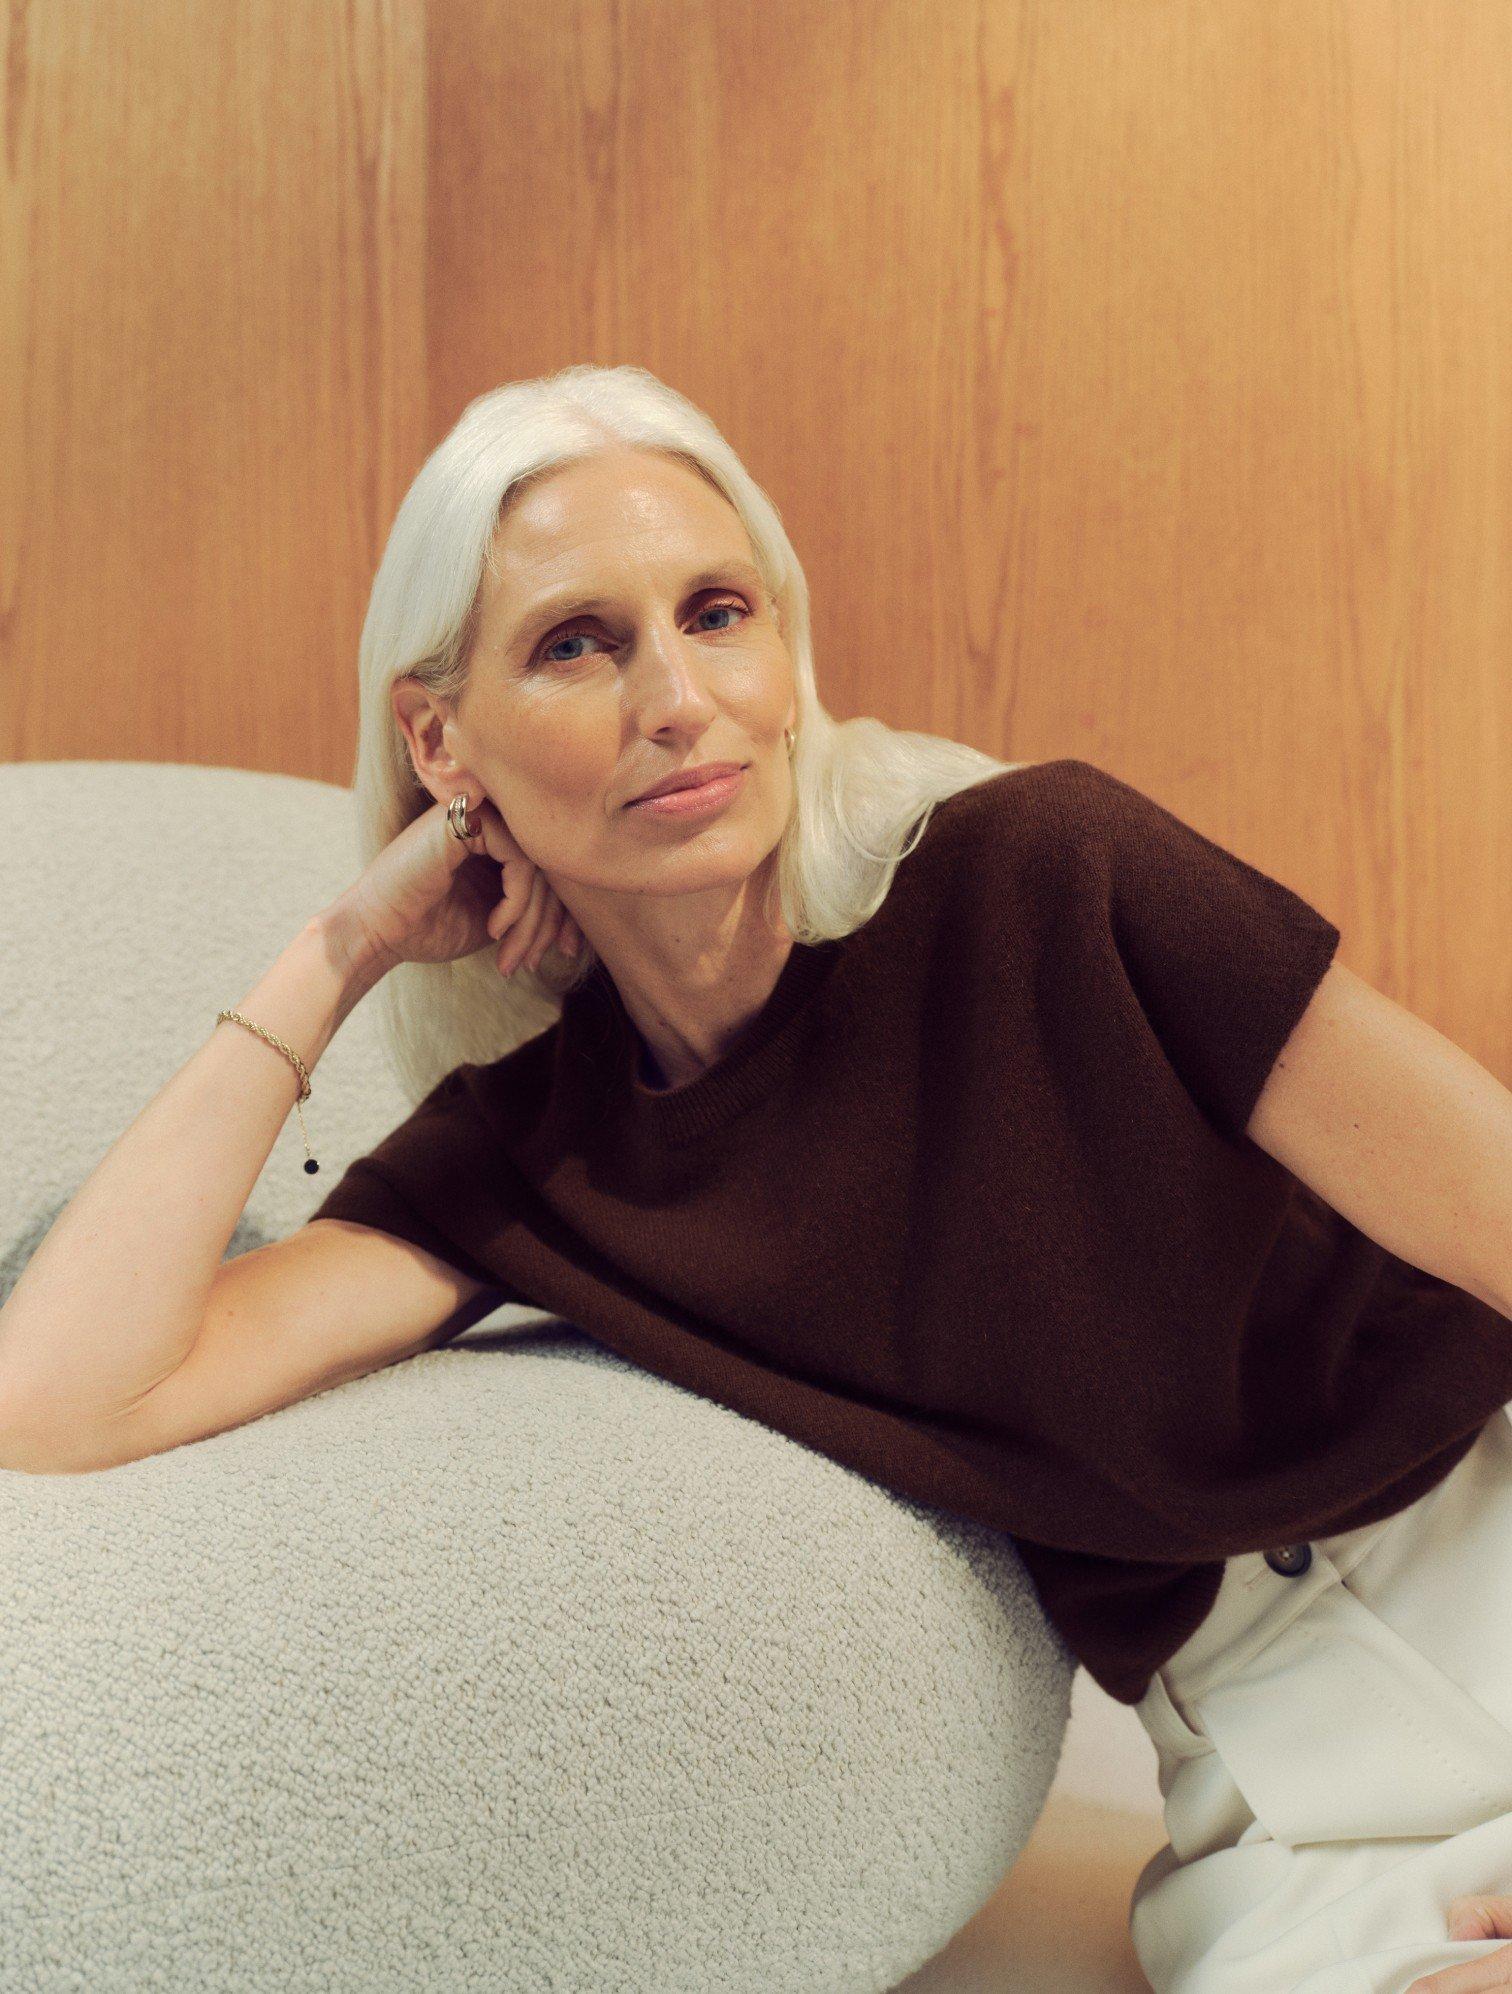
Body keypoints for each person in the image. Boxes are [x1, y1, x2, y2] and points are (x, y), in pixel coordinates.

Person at [3, 363, 1511, 1993]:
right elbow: (65, 1400)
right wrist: (340, 946)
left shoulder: (1055, 873)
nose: (675, 694)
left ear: (787, 658)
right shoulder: (529, 1162)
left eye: (717, 612)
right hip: (1273, 1776)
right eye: (577, 642)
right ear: (442, 738)